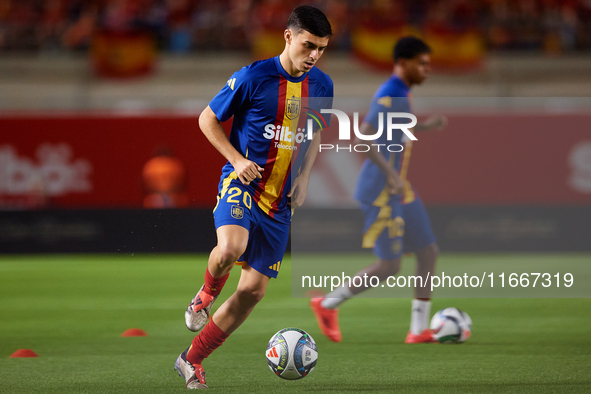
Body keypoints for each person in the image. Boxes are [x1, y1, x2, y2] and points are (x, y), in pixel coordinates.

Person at [174, 6, 333, 389]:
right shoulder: (253, 76)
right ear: (288, 37)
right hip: (241, 184)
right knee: (231, 247)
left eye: (322, 49)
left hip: (280, 204)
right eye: (308, 45)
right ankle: (205, 295)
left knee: (251, 292)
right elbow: (207, 119)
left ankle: (190, 360)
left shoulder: (323, 86)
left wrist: (307, 177)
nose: (313, 55)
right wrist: (237, 158)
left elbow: (314, 134)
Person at [310, 36, 446, 344]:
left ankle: (418, 329)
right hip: (380, 189)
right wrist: (391, 175)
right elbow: (363, 139)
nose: (427, 70)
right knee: (389, 266)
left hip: (399, 188)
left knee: (428, 252)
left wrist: (426, 126)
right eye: (422, 64)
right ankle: (327, 303)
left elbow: (396, 127)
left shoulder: (402, 93)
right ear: (403, 63)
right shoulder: (389, 94)